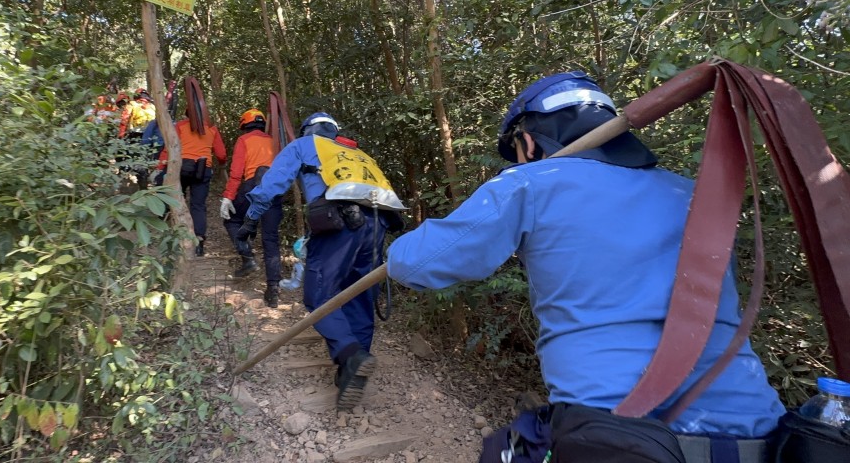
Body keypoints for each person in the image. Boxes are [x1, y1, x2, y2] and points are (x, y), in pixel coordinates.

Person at [385, 71, 785, 461]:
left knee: (504, 453)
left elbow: (415, 264)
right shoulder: (694, 195)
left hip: (614, 436)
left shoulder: (530, 182)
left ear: (528, 140)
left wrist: (392, 248)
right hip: (756, 434)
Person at [237, 112, 405, 410]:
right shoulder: (356, 152)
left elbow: (273, 183)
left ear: (307, 130)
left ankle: (351, 356)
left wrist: (250, 221)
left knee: (320, 294)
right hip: (378, 225)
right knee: (359, 297)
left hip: (338, 220)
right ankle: (349, 372)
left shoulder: (304, 144)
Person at [220, 109, 284, 307]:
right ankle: (273, 290)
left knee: (231, 220)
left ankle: (248, 258)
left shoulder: (244, 140)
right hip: (274, 191)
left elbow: (236, 172)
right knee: (271, 239)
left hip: (252, 188)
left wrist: (228, 197)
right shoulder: (275, 141)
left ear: (244, 125)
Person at [156, 114, 226, 256]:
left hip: (183, 166)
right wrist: (222, 163)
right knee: (198, 205)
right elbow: (221, 154)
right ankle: (199, 244)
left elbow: (169, 146)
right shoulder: (212, 128)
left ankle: (176, 238)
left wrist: (160, 167)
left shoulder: (181, 125)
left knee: (175, 201)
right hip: (203, 168)